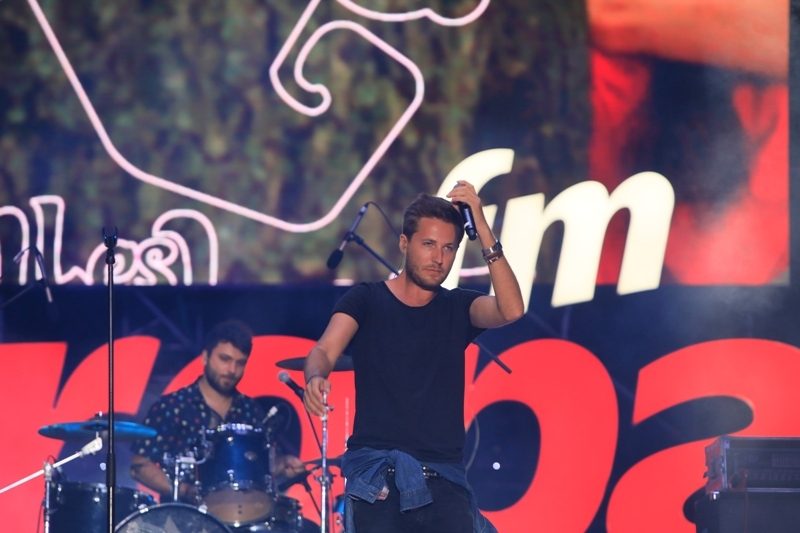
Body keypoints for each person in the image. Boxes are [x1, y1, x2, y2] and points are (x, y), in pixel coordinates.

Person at [303, 182, 525, 533]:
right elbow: (323, 350)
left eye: (449, 248)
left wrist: (482, 227)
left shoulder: (458, 306)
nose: (439, 258)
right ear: (404, 244)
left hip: (444, 479)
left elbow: (511, 309)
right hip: (377, 477)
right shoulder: (366, 299)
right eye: (429, 244)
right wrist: (315, 377)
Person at [129, 319, 306, 504]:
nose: (232, 370)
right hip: (182, 515)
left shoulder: (250, 410)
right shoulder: (173, 406)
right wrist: (185, 490)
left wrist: (281, 464)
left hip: (240, 514)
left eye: (240, 363)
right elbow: (140, 466)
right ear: (205, 357)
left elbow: (260, 464)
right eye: (225, 359)